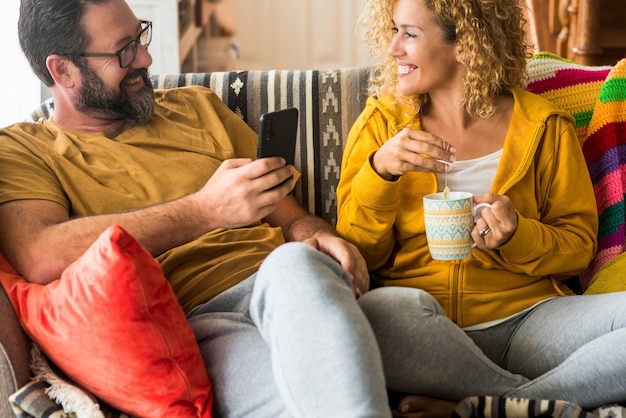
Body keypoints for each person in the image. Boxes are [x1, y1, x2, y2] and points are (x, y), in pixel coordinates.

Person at [0, 0, 394, 417]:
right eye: (124, 51)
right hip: (205, 324)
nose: (146, 58)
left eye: (141, 37)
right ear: (62, 71)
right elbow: (41, 254)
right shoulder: (25, 150)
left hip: (298, 290)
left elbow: (292, 217)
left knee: (405, 309)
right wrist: (206, 210)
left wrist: (322, 237)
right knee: (310, 381)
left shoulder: (198, 107)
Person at [336, 0, 626, 416]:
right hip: (421, 323)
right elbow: (359, 257)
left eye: (410, 34)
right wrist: (380, 173)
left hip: (529, 321)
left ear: (466, 44)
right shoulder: (382, 127)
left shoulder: (544, 126)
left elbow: (578, 248)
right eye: (394, 30)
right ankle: (537, 402)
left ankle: (484, 406)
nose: (393, 48)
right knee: (375, 315)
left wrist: (518, 234)